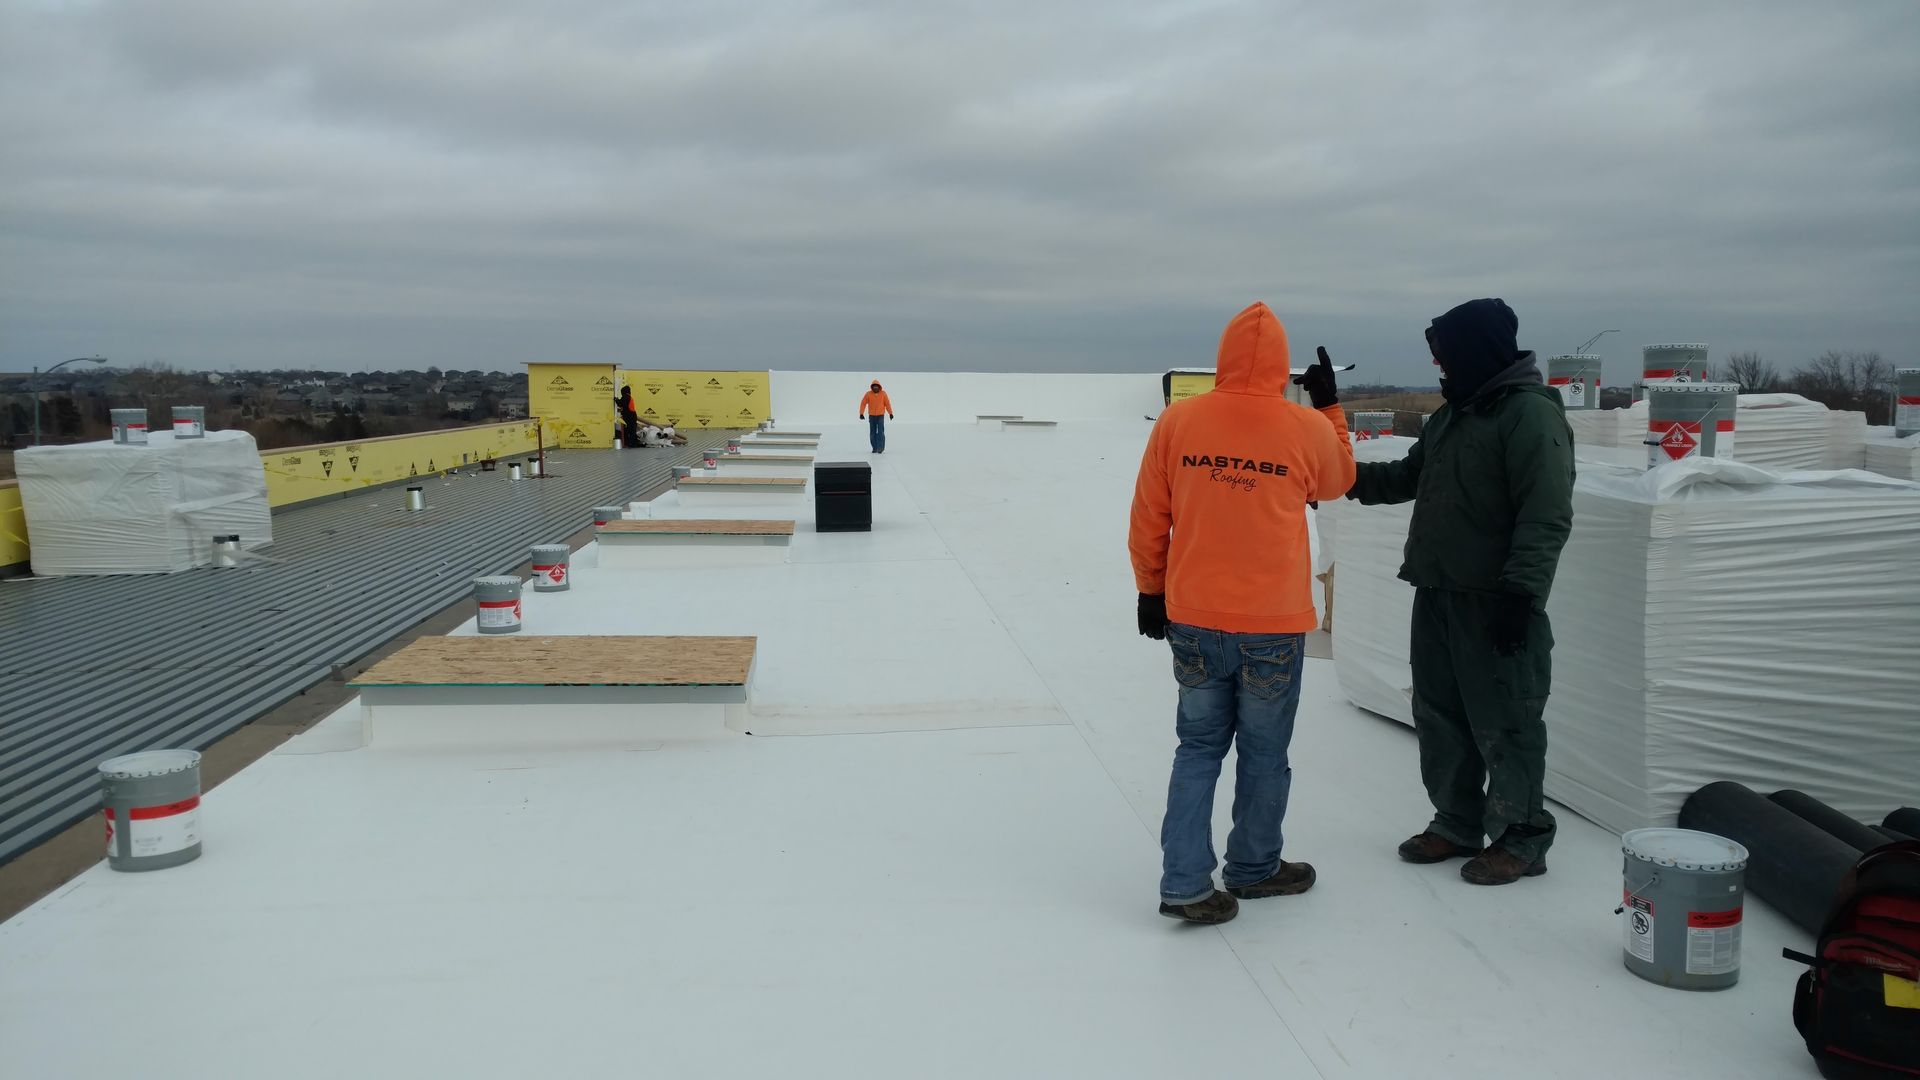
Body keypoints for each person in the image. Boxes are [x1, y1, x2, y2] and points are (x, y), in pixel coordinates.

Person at [1129, 301, 1356, 925]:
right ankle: (1254, 868)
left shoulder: (1179, 421)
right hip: (1272, 626)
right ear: (1283, 367)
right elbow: (1339, 480)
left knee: (1198, 747)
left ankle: (1184, 883)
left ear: (1223, 357)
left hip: (1193, 617)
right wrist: (1330, 407)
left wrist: (1150, 589)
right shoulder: (1303, 427)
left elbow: (1149, 514)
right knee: (1264, 752)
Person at [1345, 298, 1574, 886]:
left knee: (1507, 720)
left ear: (1476, 351)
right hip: (1438, 590)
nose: (1438, 365)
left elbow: (1545, 514)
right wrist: (1331, 470)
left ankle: (1523, 836)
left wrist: (1521, 596)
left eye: (1445, 354)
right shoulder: (1453, 415)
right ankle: (1456, 821)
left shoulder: (1528, 415)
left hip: (1498, 601)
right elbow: (1403, 477)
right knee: (1439, 714)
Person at [859, 380, 894, 453]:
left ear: (879, 387)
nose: (875, 388)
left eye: (876, 387)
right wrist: (861, 413)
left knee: (880, 432)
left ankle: (880, 448)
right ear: (872, 387)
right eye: (874, 387)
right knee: (872, 433)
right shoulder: (868, 394)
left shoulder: (883, 394)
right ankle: (875, 448)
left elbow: (887, 404)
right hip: (872, 416)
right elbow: (863, 403)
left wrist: (890, 413)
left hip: (880, 416)